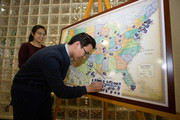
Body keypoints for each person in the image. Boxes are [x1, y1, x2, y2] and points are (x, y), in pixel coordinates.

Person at [11, 32, 103, 120]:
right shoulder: (52, 57)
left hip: (41, 91)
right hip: (25, 93)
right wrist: (87, 89)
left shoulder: (62, 52)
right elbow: (60, 91)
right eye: (85, 52)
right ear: (77, 44)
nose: (84, 57)